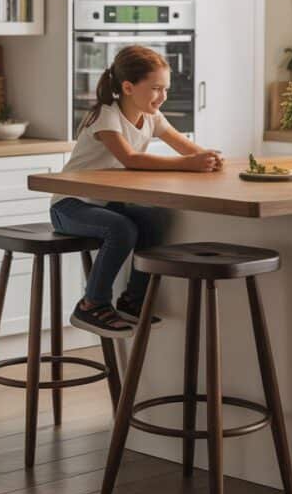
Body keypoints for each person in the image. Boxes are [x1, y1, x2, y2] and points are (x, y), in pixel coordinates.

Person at [50, 44, 223, 338]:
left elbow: (184, 146)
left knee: (156, 220)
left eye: (166, 89)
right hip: (71, 205)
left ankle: (132, 299)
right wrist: (188, 164)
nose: (163, 96)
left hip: (105, 204)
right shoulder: (107, 116)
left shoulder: (152, 117)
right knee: (121, 229)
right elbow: (130, 159)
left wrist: (209, 158)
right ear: (128, 87)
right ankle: (92, 303)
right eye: (156, 88)